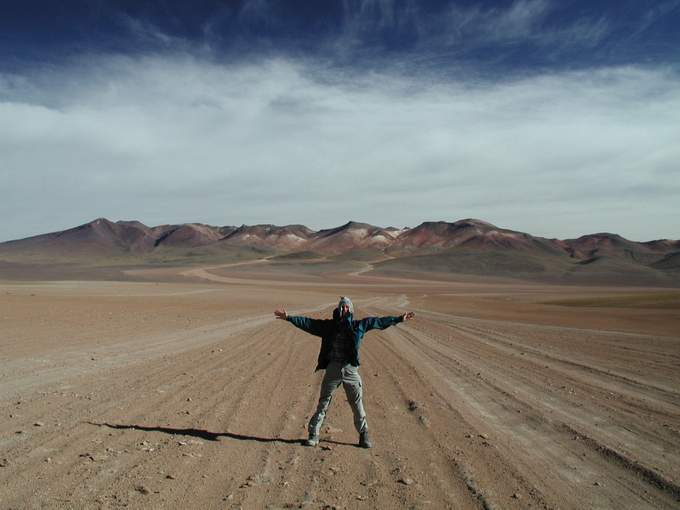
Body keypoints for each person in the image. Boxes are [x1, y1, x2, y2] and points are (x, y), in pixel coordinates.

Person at [275, 296, 414, 448]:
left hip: (350, 370)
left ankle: (364, 435)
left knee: (356, 403)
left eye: (347, 307)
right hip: (332, 369)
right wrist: (289, 318)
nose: (344, 308)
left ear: (351, 310)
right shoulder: (329, 326)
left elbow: (378, 322)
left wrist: (399, 319)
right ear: (338, 308)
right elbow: (309, 323)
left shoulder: (358, 326)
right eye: (342, 306)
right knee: (323, 403)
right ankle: (313, 434)